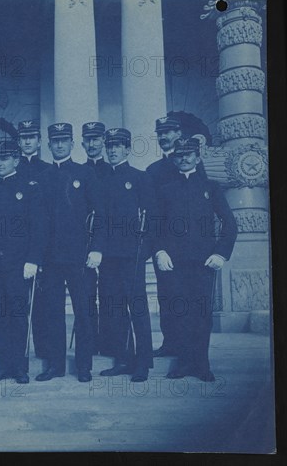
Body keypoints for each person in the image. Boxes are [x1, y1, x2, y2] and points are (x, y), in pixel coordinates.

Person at [155, 137, 237, 382]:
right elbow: (156, 225)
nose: (184, 158)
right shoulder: (165, 190)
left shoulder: (211, 187)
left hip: (203, 263)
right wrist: (160, 251)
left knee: (202, 315)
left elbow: (229, 223)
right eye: (179, 154)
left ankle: (202, 365)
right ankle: (183, 364)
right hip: (175, 264)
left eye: (189, 154)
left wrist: (220, 253)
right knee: (179, 313)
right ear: (174, 158)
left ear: (198, 157)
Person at [34, 123, 104, 383]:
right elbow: (38, 222)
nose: (60, 145)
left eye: (64, 140)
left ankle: (84, 366)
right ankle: (55, 365)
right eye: (55, 141)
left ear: (72, 144)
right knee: (52, 313)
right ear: (49, 144)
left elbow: (100, 215)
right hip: (51, 259)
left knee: (83, 313)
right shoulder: (42, 178)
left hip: (80, 257)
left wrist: (97, 248)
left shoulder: (85, 174)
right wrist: (38, 258)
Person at [0, 138, 48, 384]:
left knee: (17, 316)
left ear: (16, 159)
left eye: (5, 158)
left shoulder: (30, 189)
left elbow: (39, 228)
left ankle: (19, 367)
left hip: (19, 266)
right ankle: (4, 366)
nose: (0, 163)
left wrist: (33, 260)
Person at [98, 127, 156, 383]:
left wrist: (144, 252)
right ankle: (123, 359)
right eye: (109, 145)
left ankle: (143, 362)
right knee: (114, 309)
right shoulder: (100, 179)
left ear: (128, 148)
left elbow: (152, 218)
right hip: (109, 256)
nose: (112, 150)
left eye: (118, 145)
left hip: (131, 255)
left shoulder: (140, 178)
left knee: (138, 309)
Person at [146, 116, 184, 358]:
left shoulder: (190, 163)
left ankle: (191, 347)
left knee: (189, 297)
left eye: (168, 132)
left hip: (190, 245)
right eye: (160, 133)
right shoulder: (153, 170)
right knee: (167, 296)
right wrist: (158, 248)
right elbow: (152, 213)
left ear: (178, 133)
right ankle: (170, 343)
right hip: (164, 245)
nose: (164, 137)